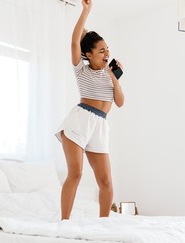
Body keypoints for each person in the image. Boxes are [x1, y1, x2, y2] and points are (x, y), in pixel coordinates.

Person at [55, 0, 124, 220]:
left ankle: (104, 224)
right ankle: (64, 221)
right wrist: (86, 11)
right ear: (89, 54)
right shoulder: (81, 71)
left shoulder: (108, 75)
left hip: (100, 125)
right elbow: (75, 42)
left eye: (108, 50)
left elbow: (120, 102)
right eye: (101, 50)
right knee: (75, 173)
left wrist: (115, 78)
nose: (106, 53)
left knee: (106, 182)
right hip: (80, 121)